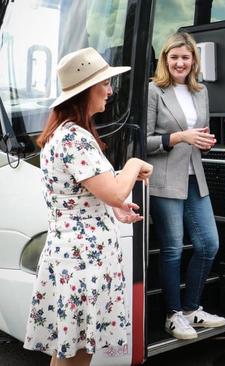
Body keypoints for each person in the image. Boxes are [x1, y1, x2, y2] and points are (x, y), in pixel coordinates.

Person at [23, 47, 153, 366]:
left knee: (68, 349)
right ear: (85, 91)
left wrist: (115, 206)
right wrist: (134, 164)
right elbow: (113, 192)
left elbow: (86, 192)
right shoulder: (76, 138)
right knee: (79, 353)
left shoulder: (64, 134)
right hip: (83, 261)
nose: (110, 90)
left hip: (74, 257)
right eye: (105, 84)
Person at [146, 32, 225, 340]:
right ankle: (173, 314)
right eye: (174, 57)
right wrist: (181, 137)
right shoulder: (154, 91)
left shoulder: (200, 91)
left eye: (185, 57)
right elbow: (140, 142)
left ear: (194, 60)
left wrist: (203, 142)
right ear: (166, 59)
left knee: (209, 244)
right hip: (165, 180)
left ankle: (192, 309)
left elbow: (197, 134)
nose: (180, 63)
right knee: (173, 248)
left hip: (195, 176)